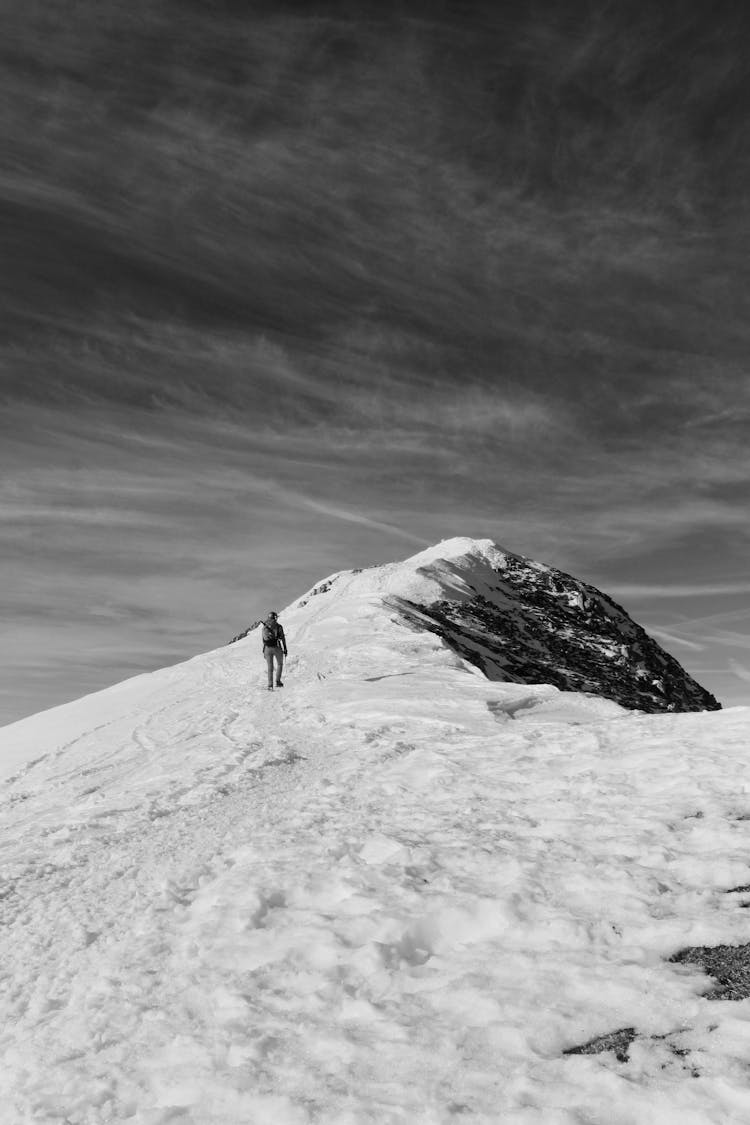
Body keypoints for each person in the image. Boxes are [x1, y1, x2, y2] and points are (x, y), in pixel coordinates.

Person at [262, 611, 287, 691]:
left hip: (267, 648)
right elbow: (282, 638)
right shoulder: (278, 626)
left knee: (270, 667)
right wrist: (285, 648)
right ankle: (278, 681)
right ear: (275, 617)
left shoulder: (264, 626)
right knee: (280, 664)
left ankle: (270, 685)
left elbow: (263, 639)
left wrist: (264, 650)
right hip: (276, 647)